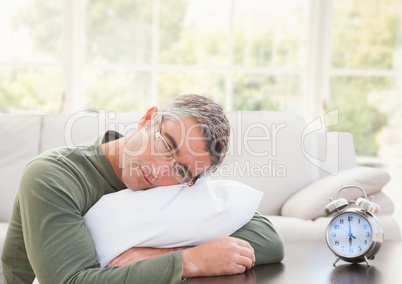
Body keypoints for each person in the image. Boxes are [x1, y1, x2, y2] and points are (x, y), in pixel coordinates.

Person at [1, 94, 284, 283]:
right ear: (148, 119)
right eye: (166, 145)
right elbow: (71, 281)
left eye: (182, 170)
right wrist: (188, 262)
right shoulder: (53, 176)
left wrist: (157, 255)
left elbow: (267, 239)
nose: (161, 170)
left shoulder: (181, 185)